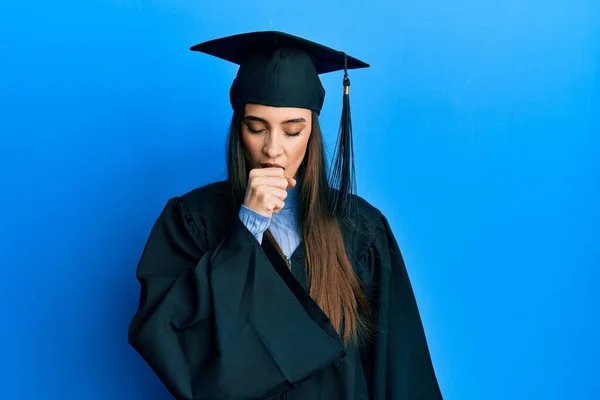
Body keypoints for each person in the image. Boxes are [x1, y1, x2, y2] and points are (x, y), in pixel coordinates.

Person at [128, 31, 443, 400]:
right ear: (237, 129)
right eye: (256, 128)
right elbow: (170, 342)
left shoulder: (360, 229)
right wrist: (248, 226)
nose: (272, 149)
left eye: (293, 131)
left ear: (312, 132)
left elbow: (400, 372)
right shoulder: (193, 221)